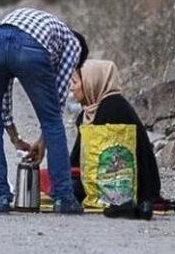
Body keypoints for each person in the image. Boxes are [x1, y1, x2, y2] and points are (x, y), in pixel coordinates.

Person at [0, 7, 88, 214]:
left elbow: (4, 95)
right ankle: (64, 198)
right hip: (30, 46)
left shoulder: (46, 26)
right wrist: (44, 138)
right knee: (53, 120)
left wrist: (14, 136)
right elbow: (58, 97)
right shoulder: (73, 44)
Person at [69, 59, 162, 210]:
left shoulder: (113, 108)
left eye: (75, 82)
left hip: (127, 186)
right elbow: (76, 159)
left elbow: (109, 166)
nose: (72, 88)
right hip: (99, 179)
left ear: (91, 82)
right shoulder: (89, 112)